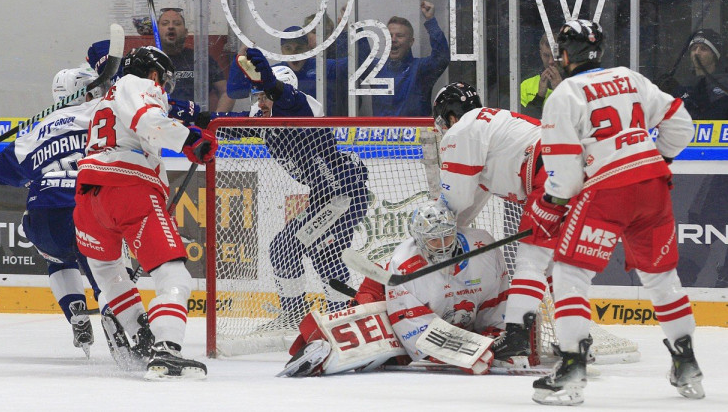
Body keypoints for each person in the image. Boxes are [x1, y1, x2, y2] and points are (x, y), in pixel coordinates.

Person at [533, 19, 701, 405]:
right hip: (654, 186)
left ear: (563, 54)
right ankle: (687, 363)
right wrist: (658, 158)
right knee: (661, 277)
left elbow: (563, 173)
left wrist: (554, 203)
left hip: (608, 191)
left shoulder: (564, 93)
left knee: (569, 272)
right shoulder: (630, 77)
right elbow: (681, 123)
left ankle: (572, 368)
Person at [73, 46, 216, 380]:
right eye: (163, 82)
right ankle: (167, 350)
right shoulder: (138, 84)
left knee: (109, 271)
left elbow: (147, 118)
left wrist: (185, 120)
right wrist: (188, 140)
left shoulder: (102, 102)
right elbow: (148, 119)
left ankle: (140, 336)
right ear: (154, 75)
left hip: (87, 198)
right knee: (174, 275)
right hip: (128, 189)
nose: (163, 89)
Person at [220, 48, 370, 328]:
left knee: (311, 250)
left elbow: (284, 97)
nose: (261, 102)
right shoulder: (264, 116)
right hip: (324, 198)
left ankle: (337, 317)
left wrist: (270, 86)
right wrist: (189, 117)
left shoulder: (303, 107)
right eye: (259, 97)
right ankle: (298, 315)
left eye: (265, 96)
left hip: (345, 195)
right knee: (288, 249)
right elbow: (226, 126)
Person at [277, 200, 508, 377]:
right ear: (419, 240)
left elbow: (495, 304)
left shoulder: (482, 248)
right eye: (433, 241)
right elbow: (414, 332)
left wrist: (495, 337)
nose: (442, 247)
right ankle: (319, 351)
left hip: (434, 311)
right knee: (370, 343)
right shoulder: (404, 263)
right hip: (384, 291)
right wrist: (467, 352)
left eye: (446, 237)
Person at [432, 81, 554, 368]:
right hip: (567, 167)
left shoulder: (462, 131)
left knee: (530, 260)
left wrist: (430, 235)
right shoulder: (490, 129)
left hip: (548, 174)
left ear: (450, 117)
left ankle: (516, 333)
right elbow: (468, 206)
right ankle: (577, 340)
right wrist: (446, 236)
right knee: (558, 265)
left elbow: (455, 199)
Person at [0, 66, 107, 358]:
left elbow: (1, 171)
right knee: (108, 272)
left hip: (39, 218)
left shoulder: (36, 129)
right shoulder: (99, 113)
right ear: (88, 91)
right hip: (81, 211)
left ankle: (75, 311)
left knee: (57, 257)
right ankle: (117, 320)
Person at [226, 23, 369, 116]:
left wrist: (352, 28)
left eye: (299, 48)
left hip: (319, 133)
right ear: (281, 50)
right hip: (286, 135)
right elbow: (235, 92)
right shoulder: (272, 74)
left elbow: (360, 61)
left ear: (307, 48)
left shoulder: (325, 67)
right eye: (288, 48)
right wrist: (239, 60)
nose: (294, 53)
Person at [370, 1, 449, 117]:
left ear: (411, 42)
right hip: (382, 135)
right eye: (389, 35)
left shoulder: (420, 70)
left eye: (400, 36)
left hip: (416, 135)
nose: (393, 39)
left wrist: (431, 20)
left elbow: (442, 57)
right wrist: (349, 24)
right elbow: (354, 61)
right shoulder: (375, 68)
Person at [157, 7, 231, 112]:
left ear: (186, 32)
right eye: (165, 23)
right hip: (158, 123)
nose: (171, 27)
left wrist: (215, 120)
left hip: (195, 125)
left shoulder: (202, 60)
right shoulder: (149, 60)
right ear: (156, 30)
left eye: (177, 23)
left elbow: (226, 92)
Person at [674, 29, 728, 120]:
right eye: (694, 48)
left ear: (714, 55)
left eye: (703, 49)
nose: (697, 53)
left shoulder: (724, 85)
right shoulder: (684, 87)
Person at [520, 33, 563, 118]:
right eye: (546, 55)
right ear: (540, 55)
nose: (551, 61)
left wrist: (561, 90)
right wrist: (539, 97)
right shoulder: (526, 85)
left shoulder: (576, 83)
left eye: (555, 56)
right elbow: (522, 123)